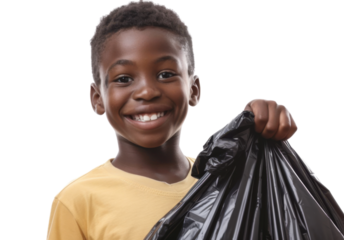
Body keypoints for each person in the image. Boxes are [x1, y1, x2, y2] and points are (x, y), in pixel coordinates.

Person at [46, 0, 298, 239]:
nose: (147, 91)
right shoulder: (78, 200)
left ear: (194, 90)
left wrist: (258, 132)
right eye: (123, 78)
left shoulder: (223, 180)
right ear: (97, 99)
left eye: (165, 74)